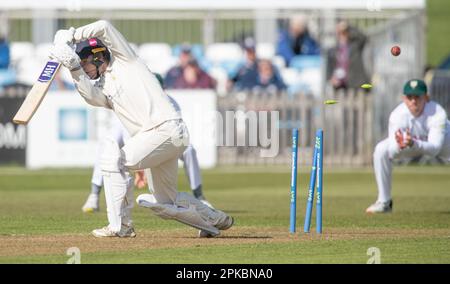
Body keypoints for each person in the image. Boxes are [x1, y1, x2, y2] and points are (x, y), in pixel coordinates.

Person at [49, 20, 233, 238]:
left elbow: (105, 26)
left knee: (112, 160)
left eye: (85, 63)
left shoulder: (126, 60)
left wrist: (73, 35)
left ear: (98, 56)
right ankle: (214, 220)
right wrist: (74, 69)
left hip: (166, 129)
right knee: (166, 202)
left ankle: (121, 226)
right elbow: (91, 98)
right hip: (162, 138)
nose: (86, 69)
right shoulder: (103, 87)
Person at [82, 74, 213, 212]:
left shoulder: (171, 102)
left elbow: (177, 129)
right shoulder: (138, 101)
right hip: (125, 128)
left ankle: (199, 196)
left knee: (189, 150)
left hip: (164, 135)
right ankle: (94, 195)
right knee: (107, 145)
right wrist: (140, 168)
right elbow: (132, 133)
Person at [367, 79, 450, 213]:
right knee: (381, 150)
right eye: (409, 97)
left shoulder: (437, 112)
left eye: (417, 97)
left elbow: (435, 149)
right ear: (403, 99)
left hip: (445, 144)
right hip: (409, 146)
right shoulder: (397, 115)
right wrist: (401, 145)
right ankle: (384, 202)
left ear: (426, 98)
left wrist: (414, 143)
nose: (413, 101)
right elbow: (393, 153)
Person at [326, 21, 369, 90]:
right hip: (339, 85)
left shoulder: (355, 46)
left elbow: (363, 37)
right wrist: (331, 78)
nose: (342, 35)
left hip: (354, 84)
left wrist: (348, 27)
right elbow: (329, 67)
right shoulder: (333, 50)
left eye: (344, 33)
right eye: (340, 33)